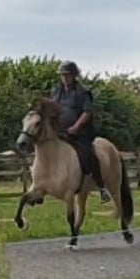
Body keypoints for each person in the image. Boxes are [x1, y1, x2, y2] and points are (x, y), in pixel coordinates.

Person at [50, 60, 111, 204]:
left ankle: (102, 187)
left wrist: (76, 127)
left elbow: (87, 112)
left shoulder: (83, 92)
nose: (64, 78)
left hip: (80, 133)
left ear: (74, 76)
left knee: (88, 153)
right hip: (61, 132)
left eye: (67, 75)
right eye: (62, 75)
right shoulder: (56, 91)